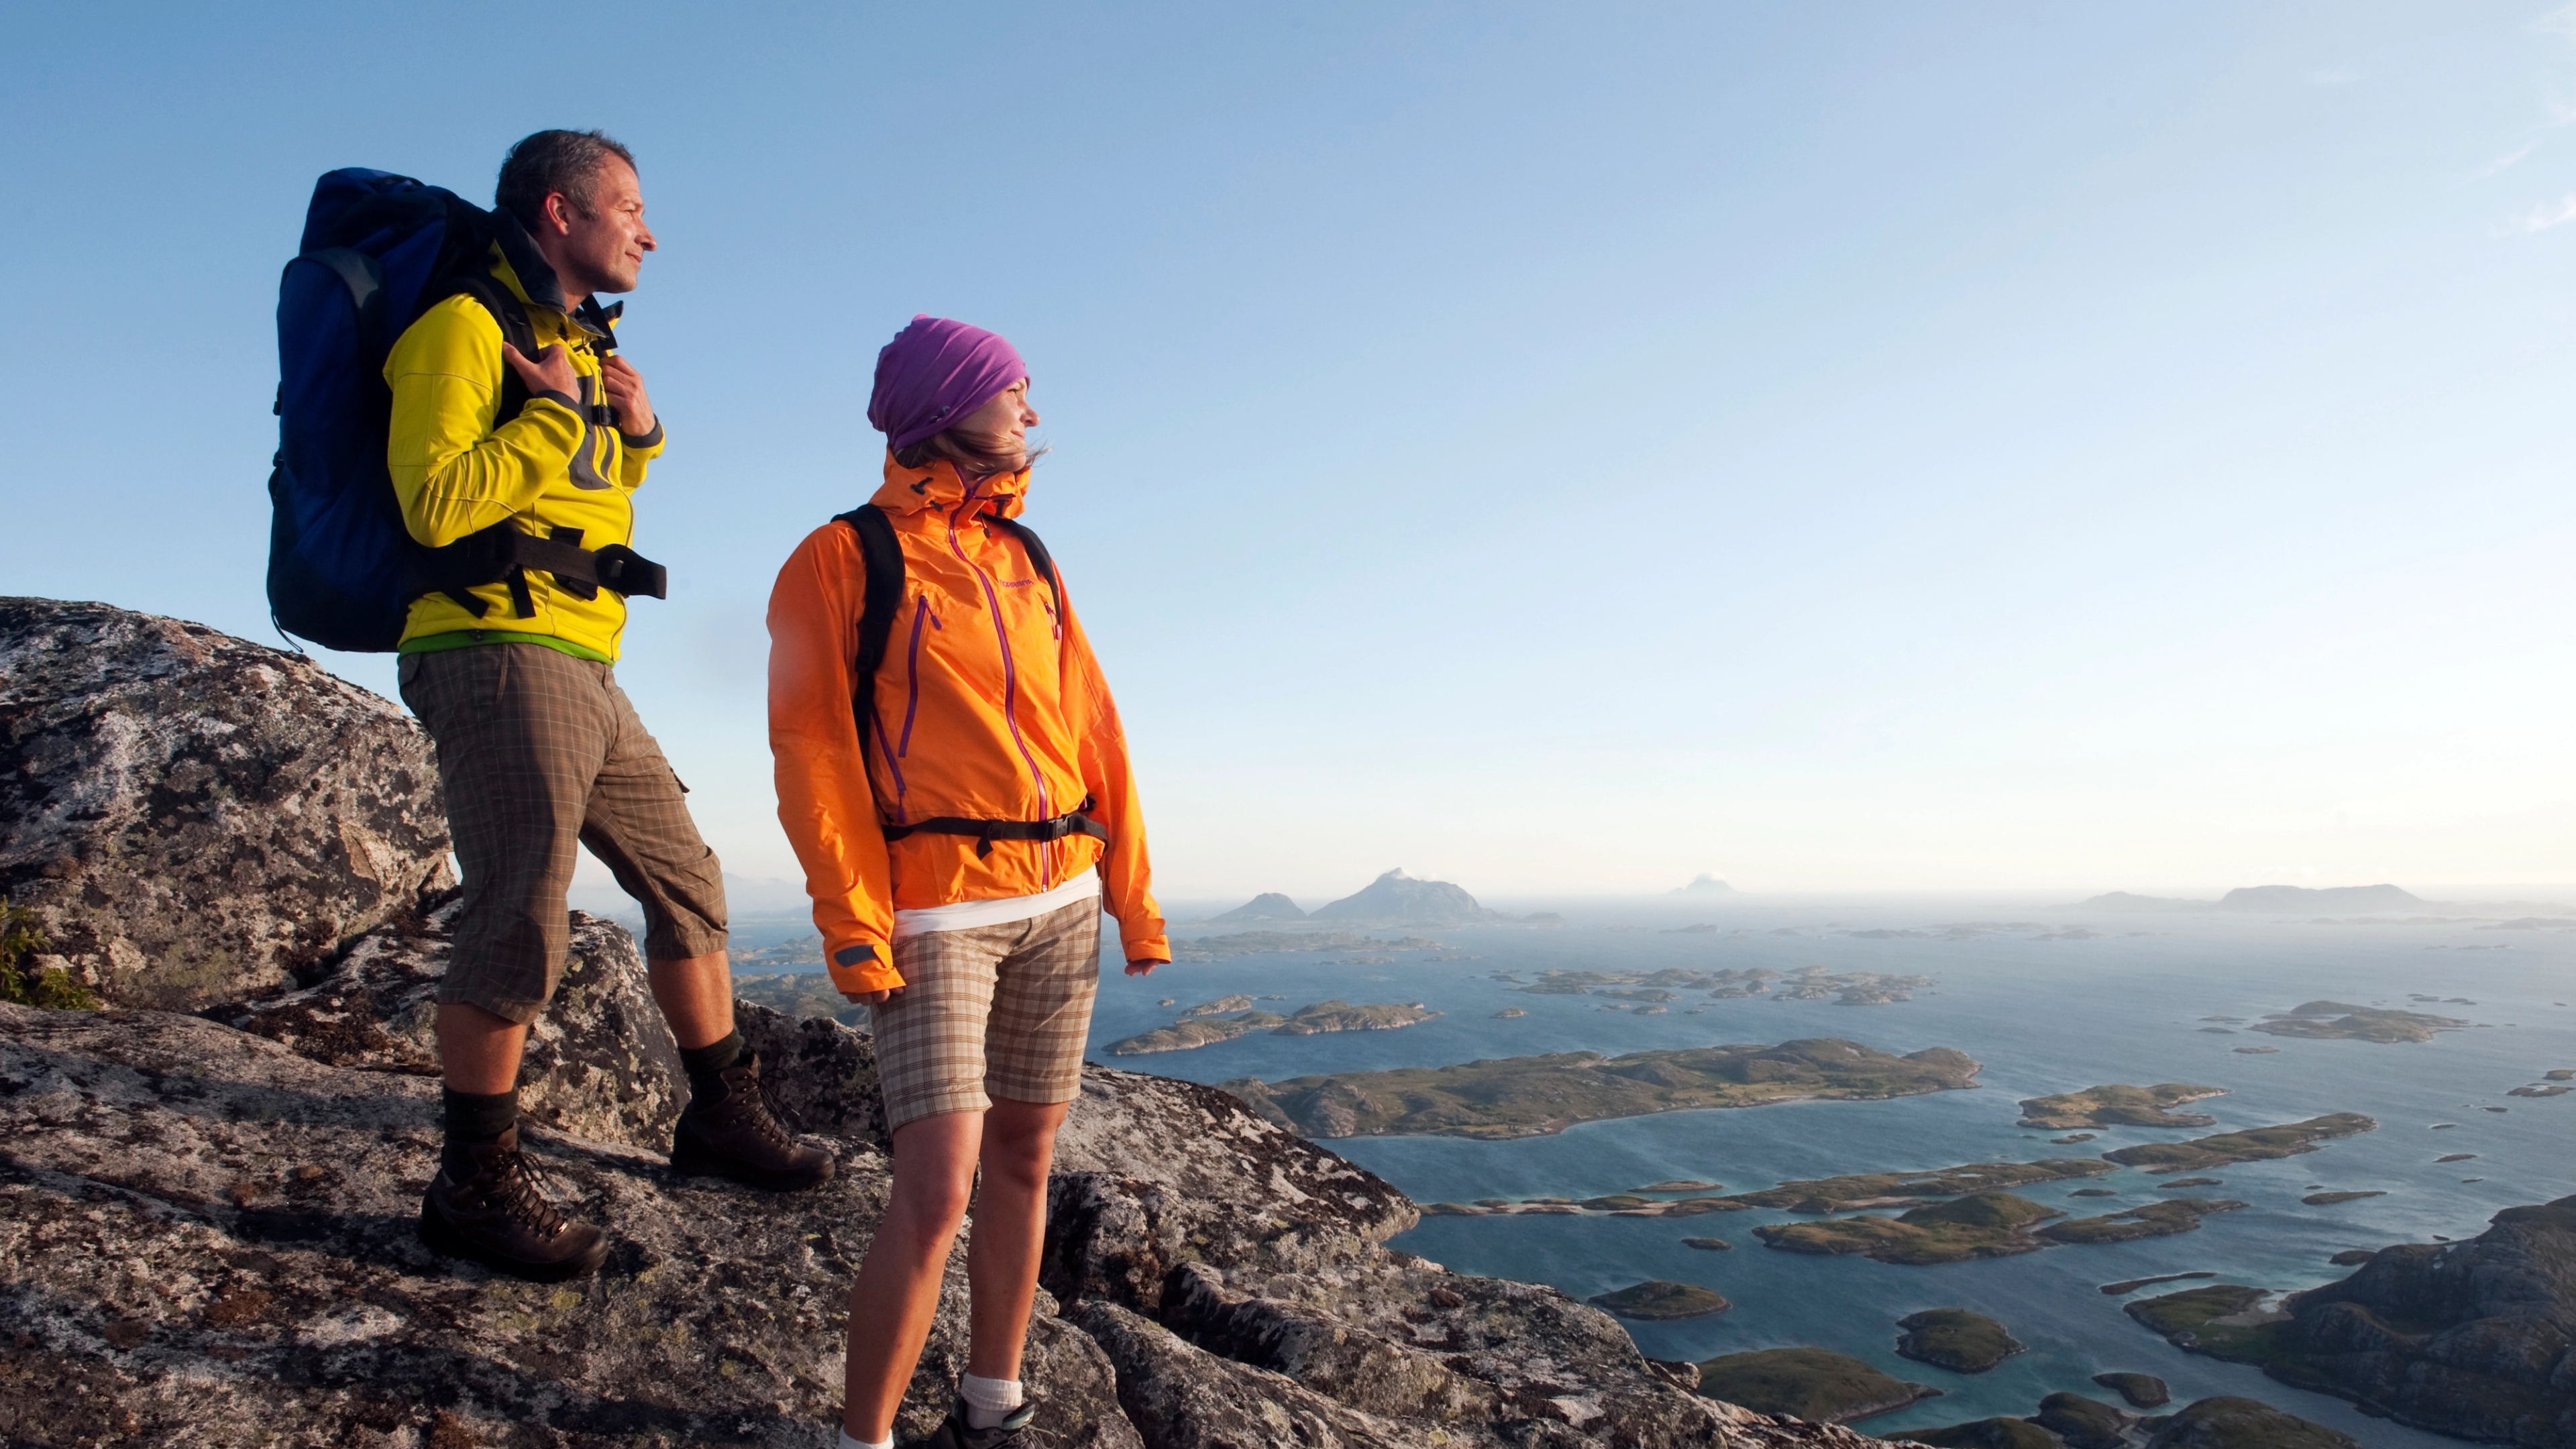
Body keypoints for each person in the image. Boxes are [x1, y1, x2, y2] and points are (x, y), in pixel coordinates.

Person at [392, 129, 833, 1283]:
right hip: (494, 646)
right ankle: (473, 1182)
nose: (649, 229)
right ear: (558, 213)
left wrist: (631, 436)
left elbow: (582, 505)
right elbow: (438, 507)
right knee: (519, 910)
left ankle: (720, 1114)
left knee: (686, 876)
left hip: (581, 657)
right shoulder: (459, 330)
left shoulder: (573, 348)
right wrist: (553, 417)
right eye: (629, 207)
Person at [767, 316, 1169, 1449]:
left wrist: (1132, 896)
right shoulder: (841, 558)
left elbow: (1095, 727)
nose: (1033, 413)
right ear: (953, 403)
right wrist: (853, 922)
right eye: (1016, 390)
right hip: (936, 911)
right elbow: (810, 749)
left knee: (1027, 1161)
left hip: (1059, 899)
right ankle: (867, 1440)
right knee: (937, 1187)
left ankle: (994, 1407)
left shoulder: (1029, 556)